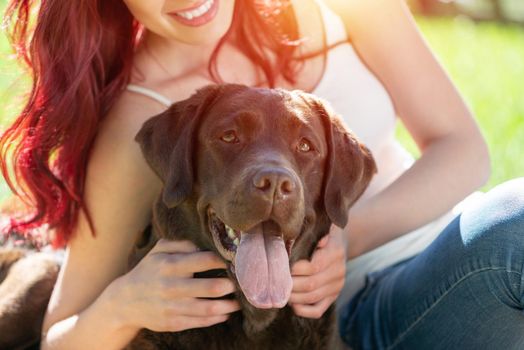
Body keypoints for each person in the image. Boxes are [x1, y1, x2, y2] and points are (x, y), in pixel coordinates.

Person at [0, 0, 522, 349]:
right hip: (359, 313)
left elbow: (465, 149)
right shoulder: (141, 117)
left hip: (458, 246)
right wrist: (124, 303)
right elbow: (60, 334)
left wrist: (347, 236)